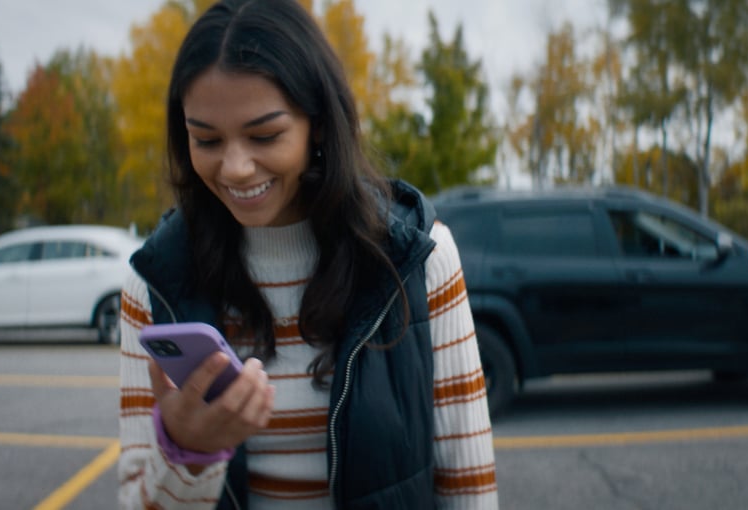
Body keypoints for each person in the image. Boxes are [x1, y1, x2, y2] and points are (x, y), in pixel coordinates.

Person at [116, 1, 498, 508]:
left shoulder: (418, 258)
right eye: (205, 139)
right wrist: (188, 452)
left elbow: (469, 487)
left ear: (317, 122)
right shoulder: (153, 283)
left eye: (265, 135)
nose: (234, 168)